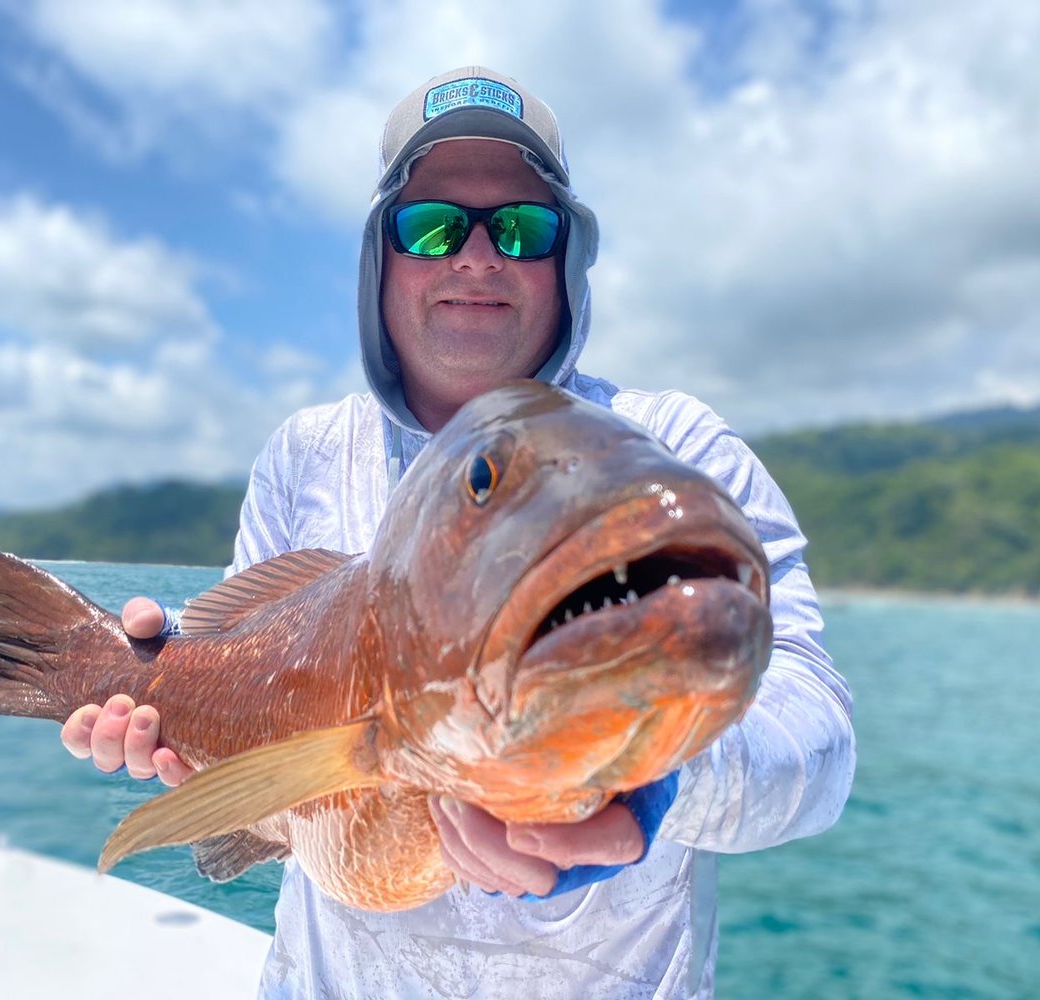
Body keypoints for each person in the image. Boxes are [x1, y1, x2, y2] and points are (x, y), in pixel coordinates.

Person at [61, 67, 855, 998]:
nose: (477, 258)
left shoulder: (673, 443)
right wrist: (194, 747)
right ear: (379, 259)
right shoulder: (304, 453)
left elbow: (816, 738)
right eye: (431, 225)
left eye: (521, 228)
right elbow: (277, 765)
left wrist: (648, 776)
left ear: (566, 263)